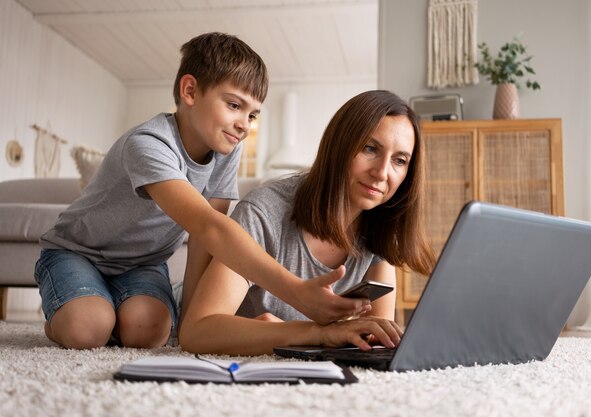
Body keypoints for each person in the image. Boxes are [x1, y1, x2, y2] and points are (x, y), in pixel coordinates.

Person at [34, 32, 368, 350]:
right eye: (234, 106)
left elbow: (205, 242)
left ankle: (109, 309)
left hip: (142, 265)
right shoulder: (148, 144)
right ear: (190, 91)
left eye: (252, 114)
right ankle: (65, 317)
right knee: (88, 327)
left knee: (150, 332)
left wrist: (193, 321)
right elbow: (211, 226)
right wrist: (296, 291)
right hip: (77, 253)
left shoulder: (226, 149)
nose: (245, 125)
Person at [178, 90, 436, 356]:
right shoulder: (265, 211)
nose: (382, 172)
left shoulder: (380, 226)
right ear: (339, 146)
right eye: (370, 149)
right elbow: (197, 332)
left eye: (400, 161)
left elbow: (376, 337)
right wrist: (318, 334)